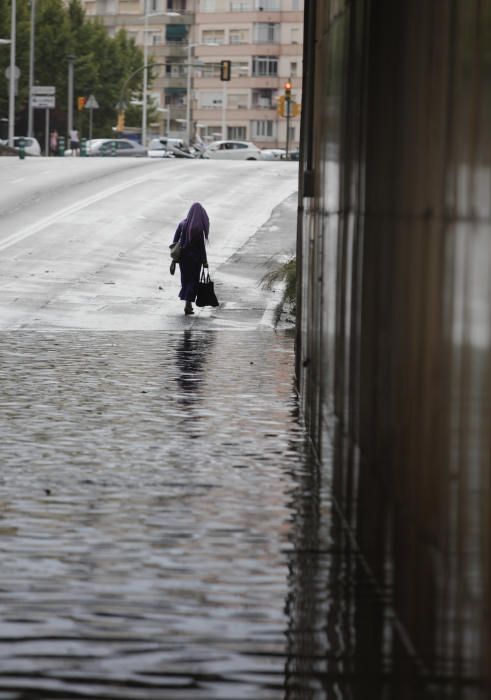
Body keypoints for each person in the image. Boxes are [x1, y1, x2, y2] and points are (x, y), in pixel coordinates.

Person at [171, 202, 209, 315]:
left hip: (183, 259)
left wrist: (174, 259)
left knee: (185, 280)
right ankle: (188, 304)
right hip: (195, 260)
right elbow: (201, 247)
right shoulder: (199, 228)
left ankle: (188, 304)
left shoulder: (182, 224)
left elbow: (175, 241)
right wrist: (205, 262)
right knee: (193, 281)